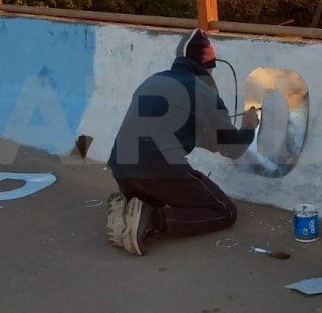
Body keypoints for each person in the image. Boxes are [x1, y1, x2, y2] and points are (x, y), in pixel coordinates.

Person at [105, 29, 259, 255]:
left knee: (162, 193)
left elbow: (186, 133)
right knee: (224, 211)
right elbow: (232, 148)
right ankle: (151, 220)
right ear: (208, 65)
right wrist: (248, 126)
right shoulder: (203, 91)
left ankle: (131, 206)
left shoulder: (153, 80)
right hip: (157, 170)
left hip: (121, 168)